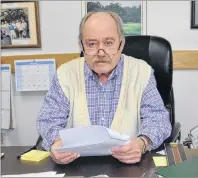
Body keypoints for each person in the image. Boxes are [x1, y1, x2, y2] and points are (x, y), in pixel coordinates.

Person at [37, 11, 172, 165]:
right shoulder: (65, 74)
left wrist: (142, 143)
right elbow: (48, 120)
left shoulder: (141, 72)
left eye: (108, 43)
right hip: (76, 166)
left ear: (121, 44)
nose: (101, 52)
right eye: (92, 44)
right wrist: (56, 143)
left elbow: (158, 119)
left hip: (129, 166)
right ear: (81, 45)